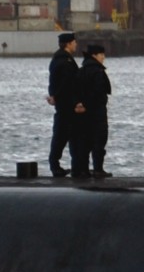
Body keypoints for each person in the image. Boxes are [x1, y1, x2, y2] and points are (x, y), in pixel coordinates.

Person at [45, 32, 81, 177]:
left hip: (64, 104)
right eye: (74, 42)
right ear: (68, 44)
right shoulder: (65, 62)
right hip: (67, 106)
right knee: (61, 137)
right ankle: (56, 166)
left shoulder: (59, 60)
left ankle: (72, 166)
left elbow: (53, 83)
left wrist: (53, 95)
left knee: (68, 136)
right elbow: (67, 84)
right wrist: (73, 101)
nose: (76, 44)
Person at [77, 45, 113, 178]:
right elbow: (98, 92)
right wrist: (89, 104)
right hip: (97, 111)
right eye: (101, 54)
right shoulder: (97, 71)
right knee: (99, 140)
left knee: (85, 141)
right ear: (94, 55)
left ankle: (83, 170)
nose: (103, 57)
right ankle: (98, 169)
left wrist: (81, 104)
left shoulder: (81, 70)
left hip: (83, 113)